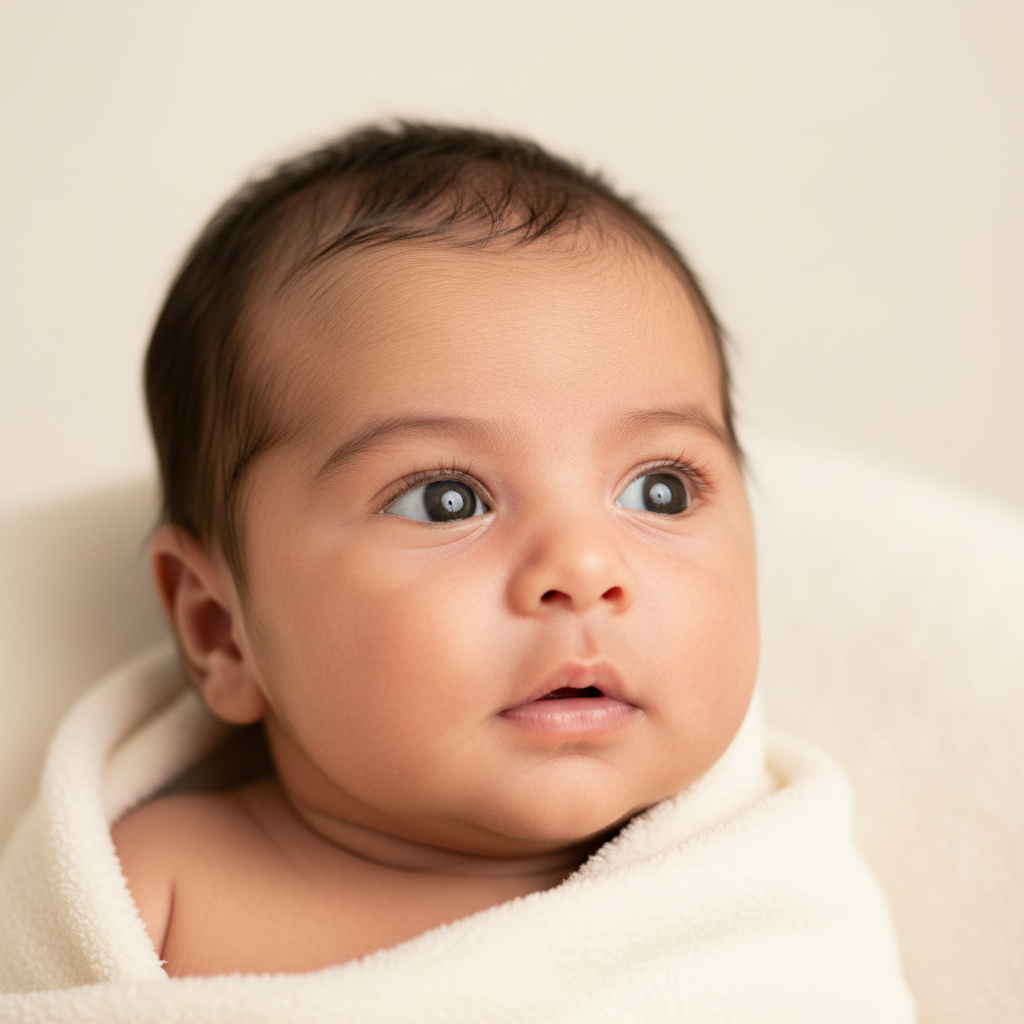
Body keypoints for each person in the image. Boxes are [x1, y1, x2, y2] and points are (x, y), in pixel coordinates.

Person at [55, 122, 912, 1015]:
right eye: (445, 500)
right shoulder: (155, 891)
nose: (583, 569)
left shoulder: (761, 899)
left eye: (659, 490)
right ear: (219, 629)